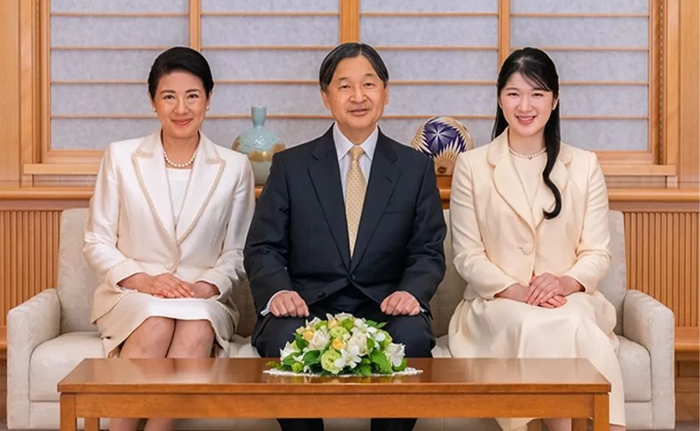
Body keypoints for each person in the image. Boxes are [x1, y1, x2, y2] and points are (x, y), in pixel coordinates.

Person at [244, 42, 446, 431]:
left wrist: (411, 292)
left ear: (385, 93)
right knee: (281, 336)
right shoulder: (291, 166)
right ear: (326, 96)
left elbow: (427, 250)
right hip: (307, 306)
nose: (358, 96)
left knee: (413, 337)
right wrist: (278, 291)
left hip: (385, 305)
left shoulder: (414, 168)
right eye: (344, 86)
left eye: (368, 84)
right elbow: (262, 247)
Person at [447, 47, 625, 431]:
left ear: (555, 100)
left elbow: (597, 252)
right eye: (514, 93)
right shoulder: (472, 166)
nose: (525, 106)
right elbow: (467, 255)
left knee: (568, 321)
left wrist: (562, 283)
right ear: (500, 99)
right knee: (532, 324)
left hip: (570, 298)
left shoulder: (584, 165)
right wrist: (517, 291)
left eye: (537, 94)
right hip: (496, 303)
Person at [83, 46, 255, 431]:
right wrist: (144, 281)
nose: (181, 108)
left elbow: (238, 250)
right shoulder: (121, 157)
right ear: (152, 100)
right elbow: (96, 241)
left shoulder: (234, 167)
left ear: (208, 99)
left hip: (202, 297)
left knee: (196, 326)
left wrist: (206, 286)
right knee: (156, 321)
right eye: (168, 97)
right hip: (131, 294)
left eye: (192, 96)